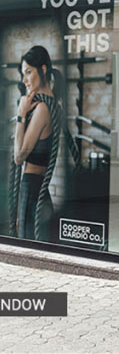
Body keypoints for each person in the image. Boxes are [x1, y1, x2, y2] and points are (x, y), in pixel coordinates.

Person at [12, 46, 62, 240]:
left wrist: (21, 114)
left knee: (28, 246)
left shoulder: (42, 109)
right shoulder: (52, 103)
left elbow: (19, 156)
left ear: (42, 69)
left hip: (32, 186)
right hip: (38, 187)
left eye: (28, 72)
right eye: (23, 74)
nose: (24, 80)